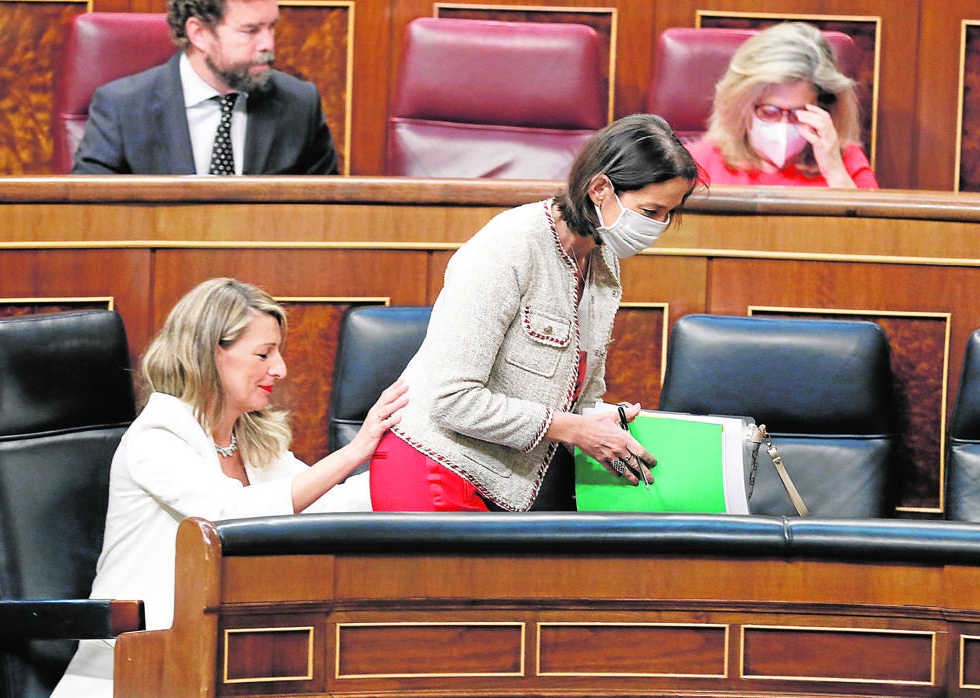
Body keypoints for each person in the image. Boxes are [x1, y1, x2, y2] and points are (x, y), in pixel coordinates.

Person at [51, 278, 407, 697]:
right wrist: (354, 451)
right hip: (134, 668)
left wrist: (413, 472)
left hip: (225, 660)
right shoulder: (156, 436)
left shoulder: (252, 439)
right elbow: (227, 517)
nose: (280, 369)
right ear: (210, 353)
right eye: (263, 353)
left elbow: (323, 503)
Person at [369, 114, 705, 513]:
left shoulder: (603, 262)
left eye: (668, 214)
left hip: (503, 479)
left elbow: (575, 395)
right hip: (436, 466)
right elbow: (451, 398)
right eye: (650, 212)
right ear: (600, 189)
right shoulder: (510, 245)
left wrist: (601, 422)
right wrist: (575, 429)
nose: (659, 227)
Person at [71, 0, 340, 175]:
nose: (268, 44)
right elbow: (91, 215)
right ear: (198, 34)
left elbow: (326, 216)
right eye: (250, 30)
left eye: (271, 27)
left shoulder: (300, 105)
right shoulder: (122, 108)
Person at [686, 21, 878, 189]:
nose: (783, 125)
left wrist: (834, 171)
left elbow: (875, 230)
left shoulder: (846, 162)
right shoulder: (696, 163)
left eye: (799, 112)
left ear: (822, 107)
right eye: (769, 111)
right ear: (741, 105)